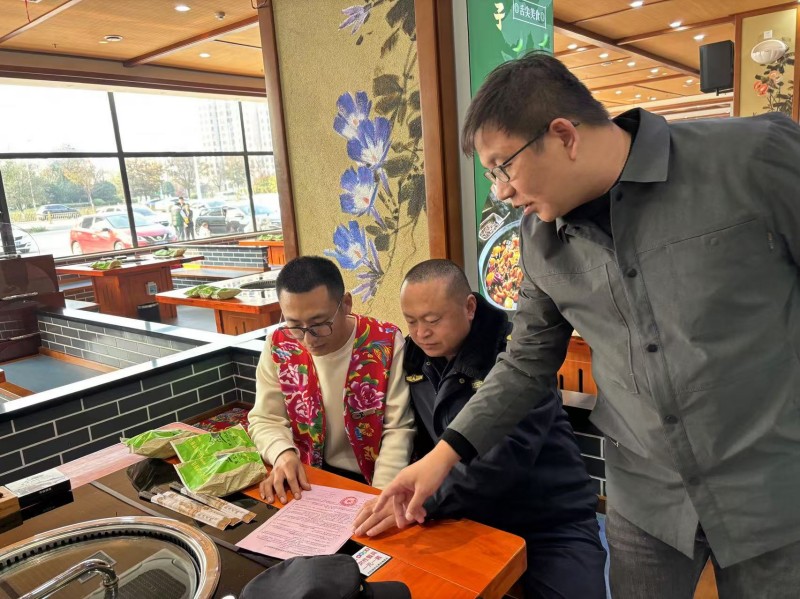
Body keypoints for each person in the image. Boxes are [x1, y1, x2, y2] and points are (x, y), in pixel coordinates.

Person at [375, 51, 800, 598]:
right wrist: (441, 457)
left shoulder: (753, 157)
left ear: (564, 136)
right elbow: (526, 363)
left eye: (503, 167)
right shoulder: (538, 239)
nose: (500, 191)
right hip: (646, 498)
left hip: (773, 487)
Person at [354, 259, 606, 598]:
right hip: (463, 513)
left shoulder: (519, 361)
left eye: (433, 320)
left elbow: (502, 461)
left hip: (549, 518)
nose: (421, 333)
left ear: (469, 307)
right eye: (411, 321)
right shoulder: (414, 358)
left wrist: (421, 500)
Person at [249, 256, 415, 504]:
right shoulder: (280, 344)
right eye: (295, 325)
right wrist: (282, 453)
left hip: (373, 479)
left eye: (319, 324)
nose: (308, 339)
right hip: (307, 475)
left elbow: (398, 429)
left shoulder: (384, 342)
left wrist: (379, 497)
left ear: (346, 304)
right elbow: (265, 418)